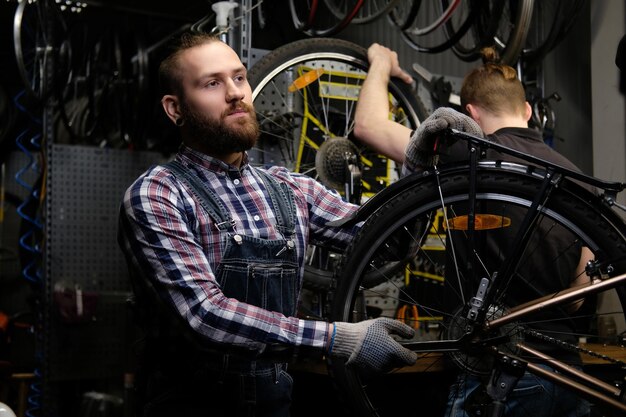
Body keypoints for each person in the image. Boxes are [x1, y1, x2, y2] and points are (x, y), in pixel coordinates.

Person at [117, 33, 417, 417]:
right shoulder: (157, 195)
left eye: (239, 78)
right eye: (212, 83)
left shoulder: (291, 189)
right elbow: (204, 316)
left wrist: (420, 165)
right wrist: (337, 338)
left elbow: (391, 242)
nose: (235, 93)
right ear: (175, 109)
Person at [354, 43, 593, 417]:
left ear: (470, 116)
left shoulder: (468, 153)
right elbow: (579, 297)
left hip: (497, 378)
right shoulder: (579, 178)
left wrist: (381, 62)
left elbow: (368, 126)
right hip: (569, 375)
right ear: (528, 111)